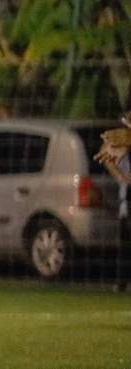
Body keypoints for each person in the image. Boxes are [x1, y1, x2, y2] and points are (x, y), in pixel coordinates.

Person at [95, 110, 131, 292]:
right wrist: (120, 177)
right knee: (124, 243)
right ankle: (121, 281)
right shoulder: (122, 140)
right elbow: (105, 151)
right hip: (127, 198)